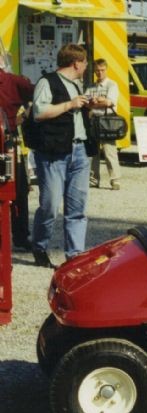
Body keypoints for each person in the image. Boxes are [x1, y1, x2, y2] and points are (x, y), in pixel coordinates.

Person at [30, 44, 91, 269]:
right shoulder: (47, 82)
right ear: (76, 63)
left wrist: (89, 107)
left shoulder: (77, 85)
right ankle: (39, 246)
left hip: (79, 150)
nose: (86, 66)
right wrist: (70, 104)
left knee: (77, 207)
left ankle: (74, 255)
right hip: (54, 153)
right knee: (50, 204)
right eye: (84, 62)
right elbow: (39, 113)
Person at [0, 61, 34, 251]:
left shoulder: (13, 82)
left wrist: (25, 115)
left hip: (7, 142)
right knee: (15, 189)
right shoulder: (13, 81)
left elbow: (39, 93)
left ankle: (19, 235)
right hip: (7, 142)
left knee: (17, 189)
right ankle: (18, 235)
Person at [85, 58, 122, 190]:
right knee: (93, 152)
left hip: (107, 121)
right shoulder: (90, 87)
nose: (100, 73)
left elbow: (109, 102)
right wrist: (99, 101)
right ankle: (94, 180)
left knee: (109, 151)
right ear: (94, 71)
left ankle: (115, 180)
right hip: (93, 121)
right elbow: (85, 103)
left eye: (102, 70)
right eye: (97, 70)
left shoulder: (112, 85)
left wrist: (96, 102)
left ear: (106, 70)